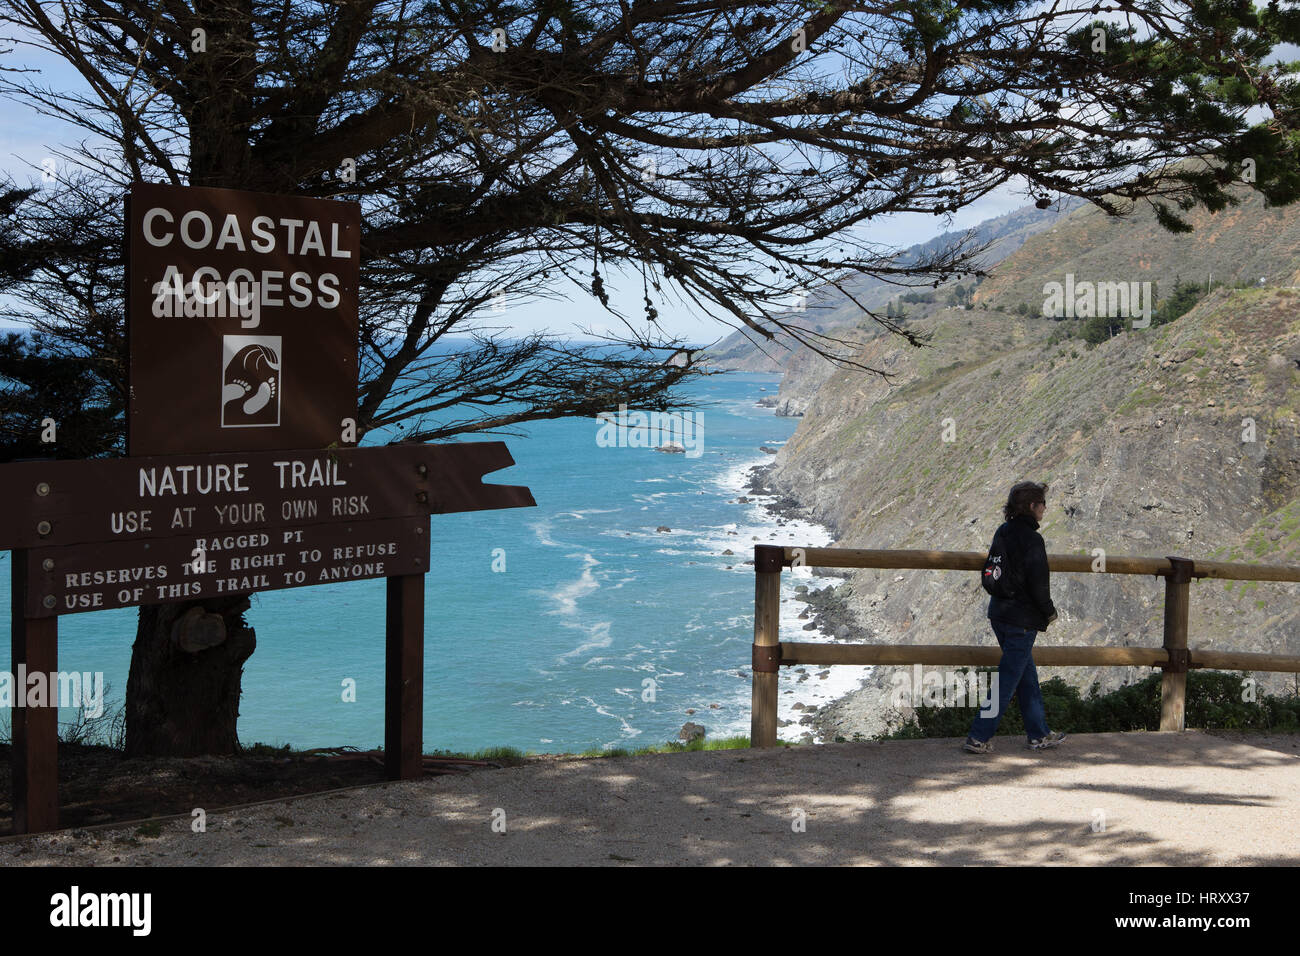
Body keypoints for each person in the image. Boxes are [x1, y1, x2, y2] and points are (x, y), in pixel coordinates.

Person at [964, 481, 1067, 753]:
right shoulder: (1033, 539)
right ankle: (979, 735)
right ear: (1033, 506)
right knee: (1008, 680)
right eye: (1042, 503)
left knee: (1025, 676)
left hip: (999, 614)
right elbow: (1038, 583)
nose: (1045, 507)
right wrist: (1049, 611)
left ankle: (1039, 734)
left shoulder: (1004, 531)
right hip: (1022, 620)